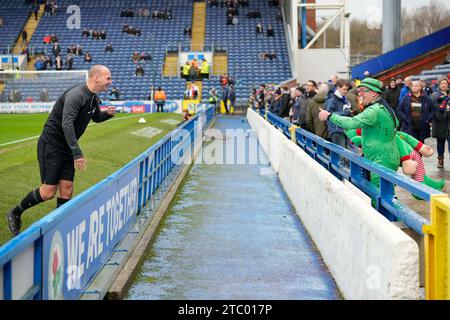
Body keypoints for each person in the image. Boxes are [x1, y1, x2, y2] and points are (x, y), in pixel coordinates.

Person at [6, 65, 116, 236]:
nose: (110, 82)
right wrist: (77, 152)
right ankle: (15, 212)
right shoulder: (77, 95)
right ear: (96, 78)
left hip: (66, 147)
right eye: (108, 78)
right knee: (47, 192)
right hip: (52, 145)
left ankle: (60, 228)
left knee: (67, 189)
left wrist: (107, 114)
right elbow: (67, 124)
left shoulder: (93, 98)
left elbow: (97, 118)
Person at [318, 77, 400, 189]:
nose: (360, 94)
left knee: (380, 195)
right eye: (359, 91)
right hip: (384, 157)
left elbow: (352, 123)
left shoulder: (374, 110)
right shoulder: (383, 106)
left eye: (363, 91)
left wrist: (329, 116)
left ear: (374, 93)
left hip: (381, 160)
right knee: (382, 193)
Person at [325, 79, 351, 150]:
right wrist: (345, 112)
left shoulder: (342, 99)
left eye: (347, 89)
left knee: (346, 154)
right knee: (342, 155)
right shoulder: (332, 99)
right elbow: (328, 115)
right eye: (344, 89)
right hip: (336, 130)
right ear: (338, 88)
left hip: (342, 129)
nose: (346, 91)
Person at [431, 76, 450, 168]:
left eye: (445, 83)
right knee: (440, 143)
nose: (444, 85)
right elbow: (433, 108)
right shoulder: (435, 95)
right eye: (442, 83)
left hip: (449, 122)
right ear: (439, 85)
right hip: (439, 123)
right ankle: (440, 159)